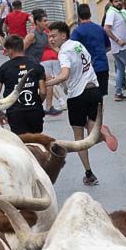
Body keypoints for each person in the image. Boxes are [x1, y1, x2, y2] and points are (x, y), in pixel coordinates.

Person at [44, 21, 101, 185]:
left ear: (63, 35)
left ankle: (89, 174)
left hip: (77, 95)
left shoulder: (63, 53)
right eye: (49, 36)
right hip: (94, 89)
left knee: (79, 138)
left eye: (54, 36)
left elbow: (64, 75)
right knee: (91, 129)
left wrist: (46, 83)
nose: (51, 39)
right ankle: (100, 133)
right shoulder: (77, 45)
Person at [0, 34, 47, 135]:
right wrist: (37, 103)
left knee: (21, 143)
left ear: (10, 50)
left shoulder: (4, 68)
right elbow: (43, 92)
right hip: (35, 111)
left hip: (15, 113)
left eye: (6, 51)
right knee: (37, 141)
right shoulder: (36, 66)